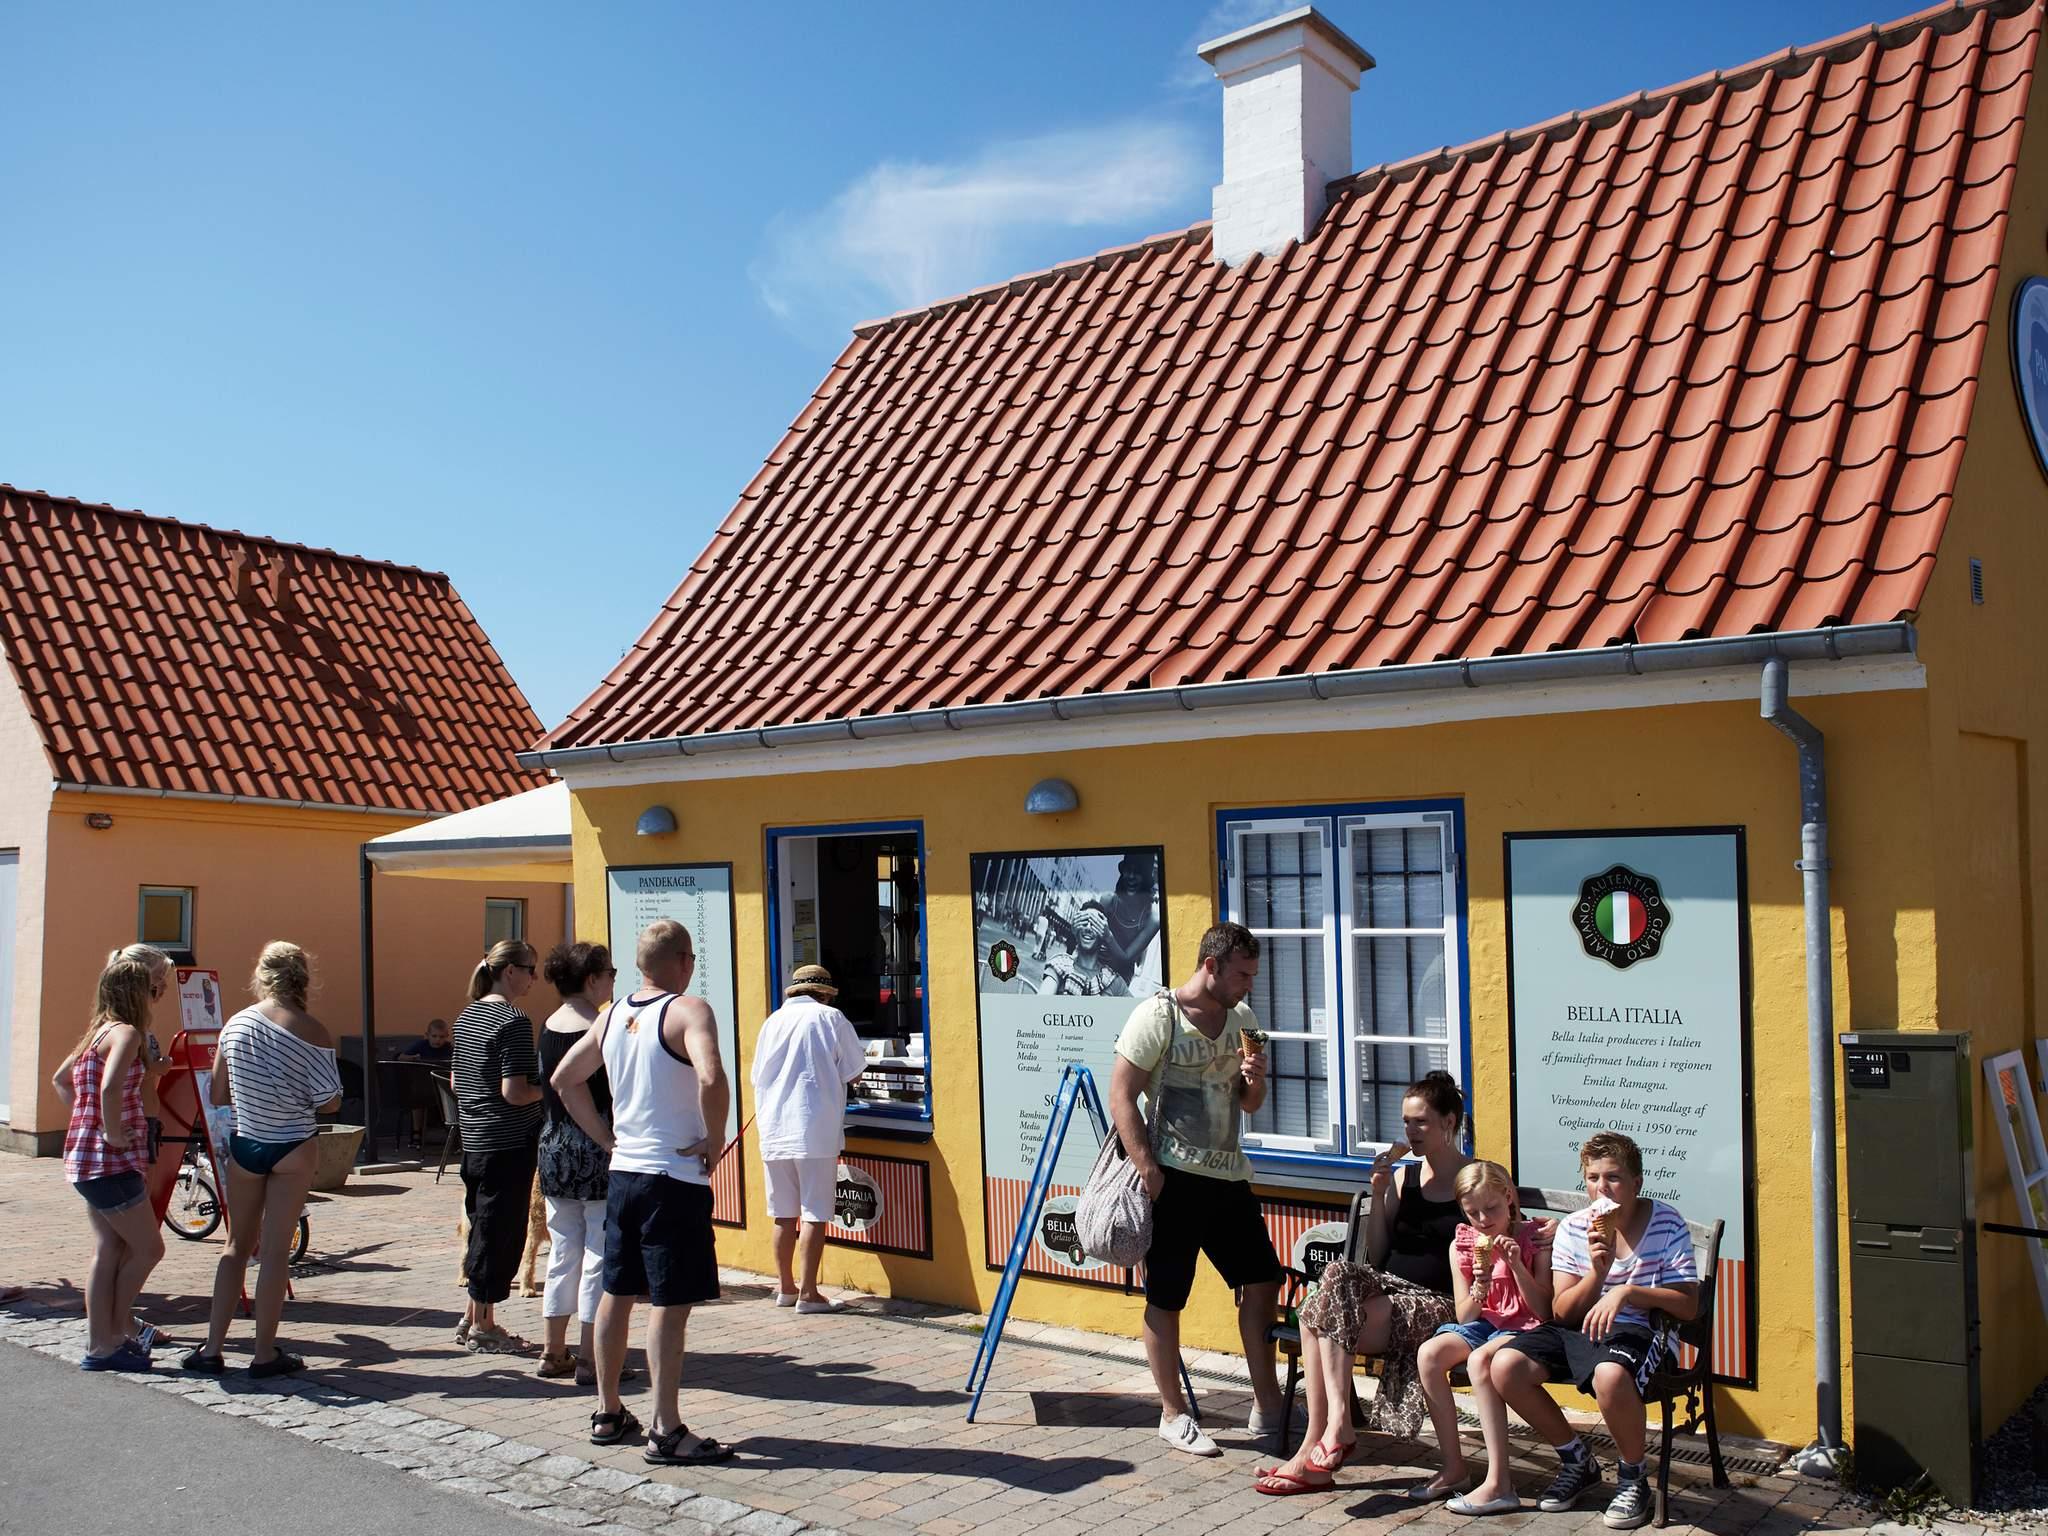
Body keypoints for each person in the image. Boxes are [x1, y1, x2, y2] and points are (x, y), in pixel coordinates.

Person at [553, 918, 733, 1465]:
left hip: (625, 1175)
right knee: (670, 1305)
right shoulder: (689, 1010)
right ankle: (666, 1428)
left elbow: (564, 1079)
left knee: (617, 1291)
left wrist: (608, 1139)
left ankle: (608, 1411)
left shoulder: (612, 1014)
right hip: (671, 1178)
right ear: (683, 962)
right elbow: (711, 1076)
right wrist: (715, 1140)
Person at [1256, 1070, 1477, 1495]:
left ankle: (1315, 1447)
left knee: (1314, 1317)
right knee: (1330, 1286)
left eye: (1421, 1122)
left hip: (1439, 1304)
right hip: (1389, 1290)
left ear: (1449, 1122)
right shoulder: (1404, 1178)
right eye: (1406, 1122)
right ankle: (1333, 1426)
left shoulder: (1475, 1177)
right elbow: (1376, 1255)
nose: (1411, 1131)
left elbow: (1500, 1233)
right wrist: (1379, 1192)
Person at [1110, 921, 1282, 1458]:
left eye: (1253, 974)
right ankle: (1173, 1413)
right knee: (1167, 1296)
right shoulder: (1157, 1015)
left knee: (1261, 1281)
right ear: (1211, 966)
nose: (1249, 984)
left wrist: (1256, 1078)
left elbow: (1250, 1104)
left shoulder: (1244, 1018)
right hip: (1175, 1178)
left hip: (1229, 1176)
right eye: (1242, 974)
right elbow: (1121, 1095)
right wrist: (1149, 1171)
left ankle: (1267, 1404)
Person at [1487, 1132, 1700, 1529]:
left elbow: (1688, 1305)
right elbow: (1562, 1312)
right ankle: (1576, 1460)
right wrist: (1598, 1274)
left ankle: (1633, 1478)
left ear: (1636, 1182)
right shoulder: (1574, 1228)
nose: (1602, 1187)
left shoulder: (1665, 1222)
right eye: (1593, 1178)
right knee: (1504, 1366)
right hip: (1580, 1329)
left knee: (1609, 1374)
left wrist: (1627, 1292)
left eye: (1613, 1177)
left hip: (1644, 1330)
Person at [180, 942, 343, 1377]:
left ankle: (211, 1349)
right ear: (303, 978)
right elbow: (329, 1102)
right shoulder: (313, 1030)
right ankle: (264, 1353)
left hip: (247, 1142)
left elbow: (218, 1094)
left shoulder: (235, 1025)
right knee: (274, 1254)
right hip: (293, 1144)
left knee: (235, 1247)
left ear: (262, 976)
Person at [52, 955, 167, 1371]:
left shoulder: (97, 1032)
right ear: (137, 993)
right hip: (110, 1163)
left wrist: (88, 1122)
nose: (157, 996)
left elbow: (64, 1081)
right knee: (149, 1248)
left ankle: (102, 1343)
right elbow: (110, 1087)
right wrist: (113, 1132)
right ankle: (115, 1331)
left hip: (87, 1160)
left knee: (109, 1249)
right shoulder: (127, 1033)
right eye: (153, 988)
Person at [1418, 1161, 1551, 1509]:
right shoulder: (1462, 1245)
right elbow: (1465, 1315)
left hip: (1524, 1325)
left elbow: (1543, 1310)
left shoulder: (1534, 1238)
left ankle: (1499, 1482)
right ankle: (1454, 1468)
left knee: (1480, 1361)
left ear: (1508, 1197)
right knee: (1429, 1354)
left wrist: (1517, 1265)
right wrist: (1480, 1285)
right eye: (1472, 1212)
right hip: (1484, 1324)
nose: (1482, 1219)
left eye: (1490, 1208)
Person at [751, 963, 866, 1312]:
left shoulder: (772, 1022)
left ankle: (786, 1288)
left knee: (783, 1214)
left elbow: (757, 1075)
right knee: (815, 1212)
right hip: (813, 1128)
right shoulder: (831, 1018)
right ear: (824, 994)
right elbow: (855, 1072)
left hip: (774, 1129)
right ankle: (809, 1293)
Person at [451, 938, 545, 1353]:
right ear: (510, 971)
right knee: (499, 1233)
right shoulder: (513, 1020)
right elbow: (515, 1092)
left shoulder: (467, 1015)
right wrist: (550, 1088)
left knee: (482, 1227)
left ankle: (471, 1316)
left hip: (474, 1139)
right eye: (530, 970)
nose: (534, 979)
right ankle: (485, 1326)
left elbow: (456, 1081)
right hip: (508, 1142)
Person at [536, 944, 617, 1383]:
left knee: (563, 1251)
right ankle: (589, 1356)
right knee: (598, 1255)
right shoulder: (600, 1027)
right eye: (610, 972)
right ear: (591, 979)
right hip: (596, 1148)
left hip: (554, 1147)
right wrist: (607, 1139)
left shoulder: (548, 1024)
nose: (613, 980)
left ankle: (553, 1350)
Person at [399, 1017, 454, 1147]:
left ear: (447, 1036)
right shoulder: (420, 1045)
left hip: (443, 1088)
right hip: (423, 1087)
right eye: (434, 1036)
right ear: (427, 1035)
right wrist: (414, 1058)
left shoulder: (449, 1048)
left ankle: (453, 1135)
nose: (437, 1040)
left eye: (441, 1037)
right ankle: (416, 1133)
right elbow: (401, 1057)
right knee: (417, 1100)